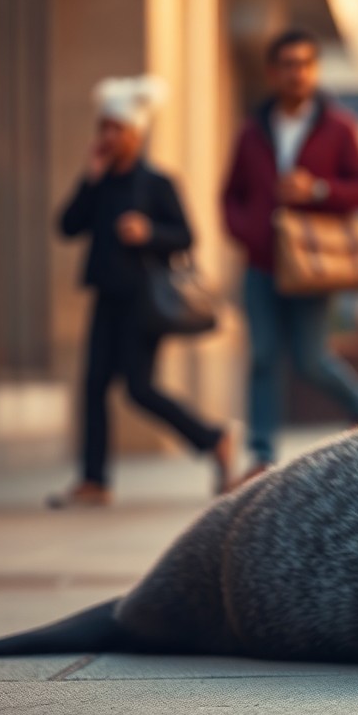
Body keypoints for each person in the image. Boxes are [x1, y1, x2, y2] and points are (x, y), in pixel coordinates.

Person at [48, 76, 234, 508]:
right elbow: (67, 226)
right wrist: (89, 178)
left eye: (117, 129)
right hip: (106, 297)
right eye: (104, 128)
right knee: (93, 386)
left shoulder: (156, 183)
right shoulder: (101, 183)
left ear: (136, 133)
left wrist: (148, 231)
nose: (109, 137)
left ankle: (214, 439)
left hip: (145, 303)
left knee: (139, 389)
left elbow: (186, 236)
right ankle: (94, 481)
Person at [222, 29, 358, 482]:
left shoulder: (340, 127)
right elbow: (230, 195)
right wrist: (247, 234)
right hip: (262, 265)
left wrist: (319, 189)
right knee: (265, 356)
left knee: (310, 359)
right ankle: (262, 455)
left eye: (305, 64)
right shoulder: (252, 131)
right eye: (287, 65)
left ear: (315, 70)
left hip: (312, 266)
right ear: (273, 73)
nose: (297, 74)